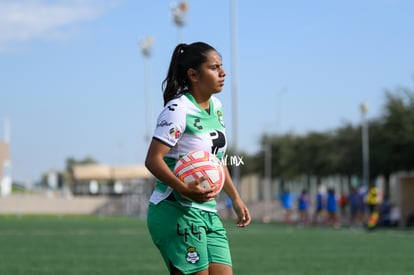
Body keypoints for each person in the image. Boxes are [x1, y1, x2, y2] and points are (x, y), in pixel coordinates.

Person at [145, 42, 251, 275]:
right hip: (175, 210)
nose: (223, 73)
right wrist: (184, 187)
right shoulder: (178, 110)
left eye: (221, 67)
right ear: (193, 74)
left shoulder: (218, 107)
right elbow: (153, 159)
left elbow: (216, 160)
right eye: (214, 68)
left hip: (208, 212)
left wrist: (235, 197)